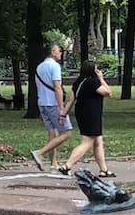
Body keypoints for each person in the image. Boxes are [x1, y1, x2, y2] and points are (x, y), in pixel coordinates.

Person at [61, 60, 113, 175]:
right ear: (93, 70)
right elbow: (108, 93)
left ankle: (103, 170)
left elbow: (71, 101)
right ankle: (67, 165)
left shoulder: (78, 82)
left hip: (82, 112)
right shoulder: (93, 82)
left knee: (98, 141)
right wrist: (101, 79)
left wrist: (64, 114)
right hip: (91, 114)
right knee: (87, 142)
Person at [31, 42, 74, 173]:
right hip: (53, 103)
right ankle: (40, 153)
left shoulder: (39, 67)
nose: (60, 52)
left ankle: (53, 163)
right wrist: (62, 108)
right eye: (58, 50)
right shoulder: (54, 66)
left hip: (42, 103)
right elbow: (57, 87)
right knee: (67, 133)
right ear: (52, 52)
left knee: (52, 132)